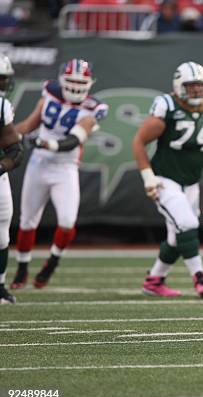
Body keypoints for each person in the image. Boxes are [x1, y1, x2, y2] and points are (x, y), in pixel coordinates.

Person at [10, 59, 108, 290]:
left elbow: (73, 140)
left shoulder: (95, 108)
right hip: (39, 164)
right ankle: (22, 267)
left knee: (66, 221)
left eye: (80, 82)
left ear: (89, 84)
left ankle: (52, 262)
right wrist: (9, 136)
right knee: (27, 220)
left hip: (65, 167)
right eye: (71, 81)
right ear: (62, 80)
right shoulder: (50, 93)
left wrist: (46, 143)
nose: (75, 86)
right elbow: (29, 124)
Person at [133, 61, 203, 298]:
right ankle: (200, 278)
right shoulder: (167, 105)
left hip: (191, 183)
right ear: (179, 86)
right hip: (164, 180)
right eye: (191, 86)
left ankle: (154, 280)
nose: (197, 90)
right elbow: (139, 142)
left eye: (200, 85)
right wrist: (148, 176)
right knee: (188, 225)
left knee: (177, 237)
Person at [0, 55, 24, 303]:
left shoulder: (1, 106)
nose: (4, 83)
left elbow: (15, 150)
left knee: (1, 237)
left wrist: (1, 166)